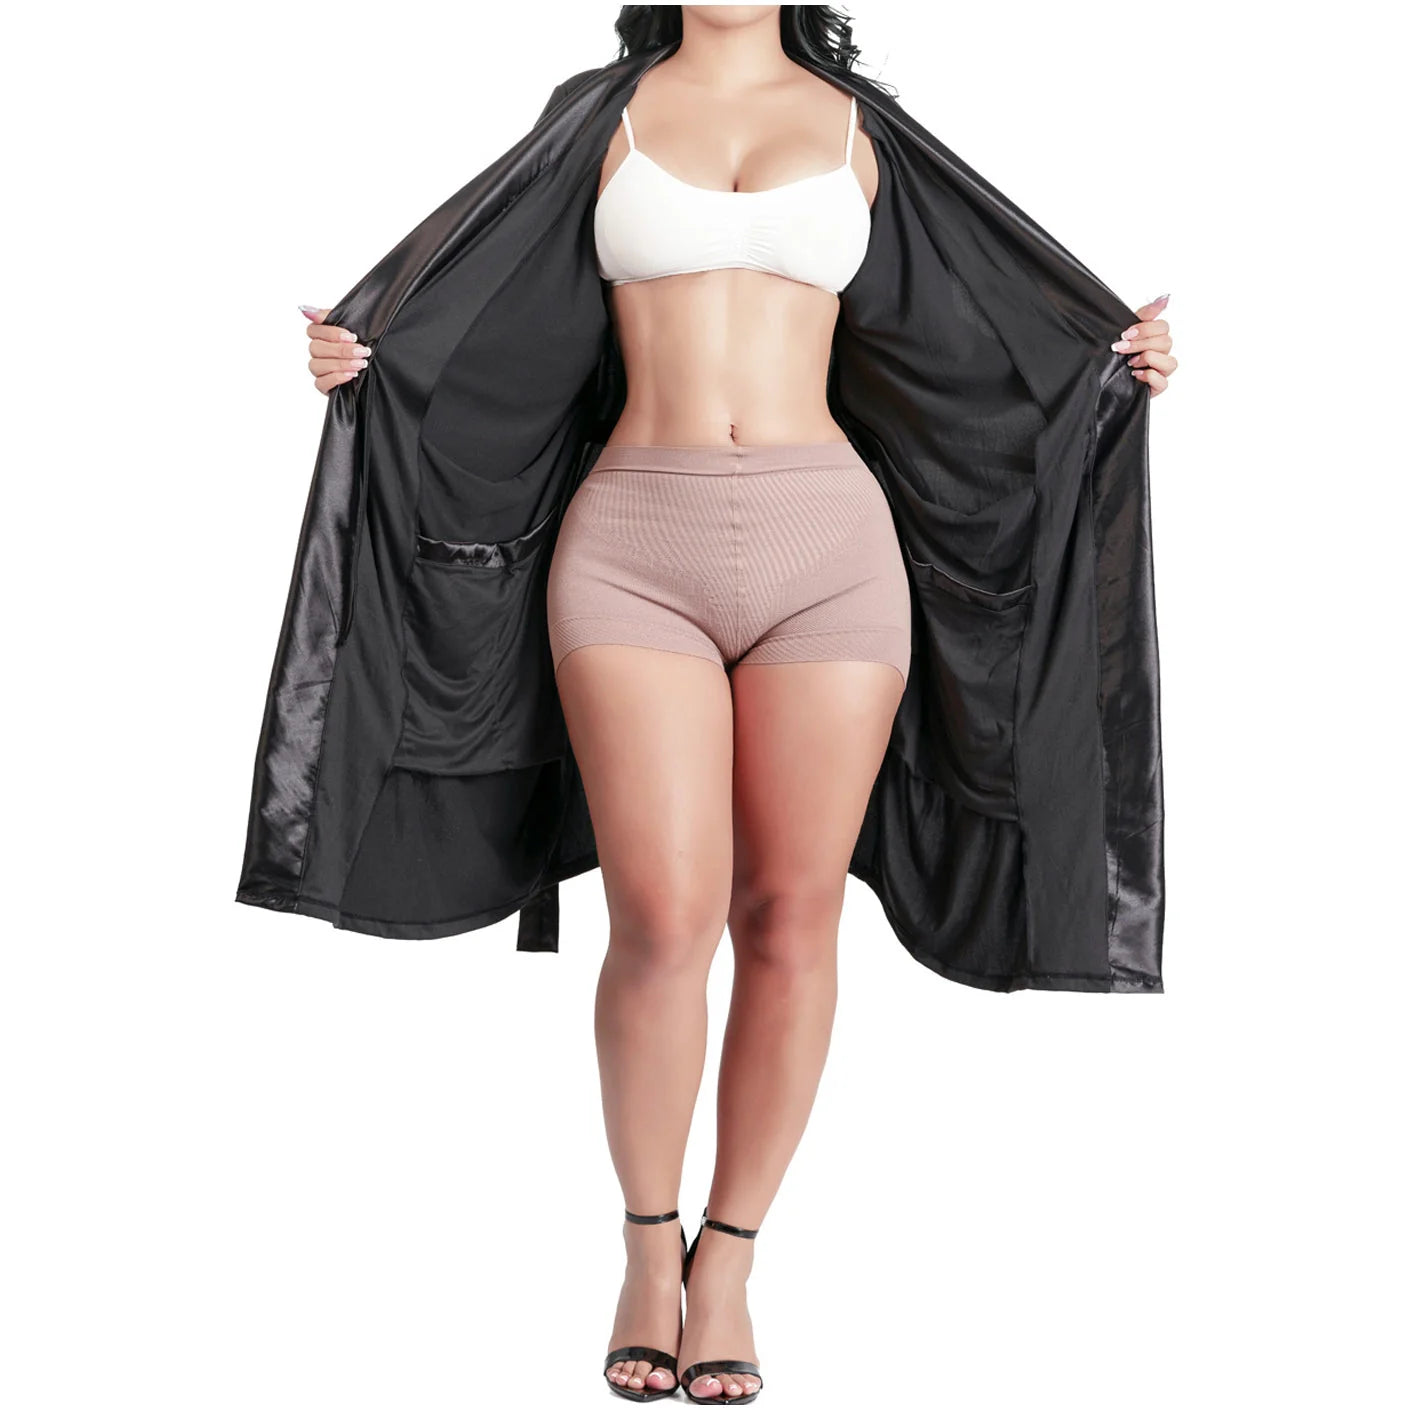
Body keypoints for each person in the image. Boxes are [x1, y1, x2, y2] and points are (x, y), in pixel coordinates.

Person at [295, 7, 1177, 1404]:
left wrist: (1112, 364)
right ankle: (648, 1247)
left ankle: (732, 1261)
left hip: (830, 549)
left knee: (790, 912)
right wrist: (369, 352)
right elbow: (482, 297)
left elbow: (985, 330)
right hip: (630, 545)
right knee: (663, 912)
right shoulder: (598, 114)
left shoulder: (866, 129)